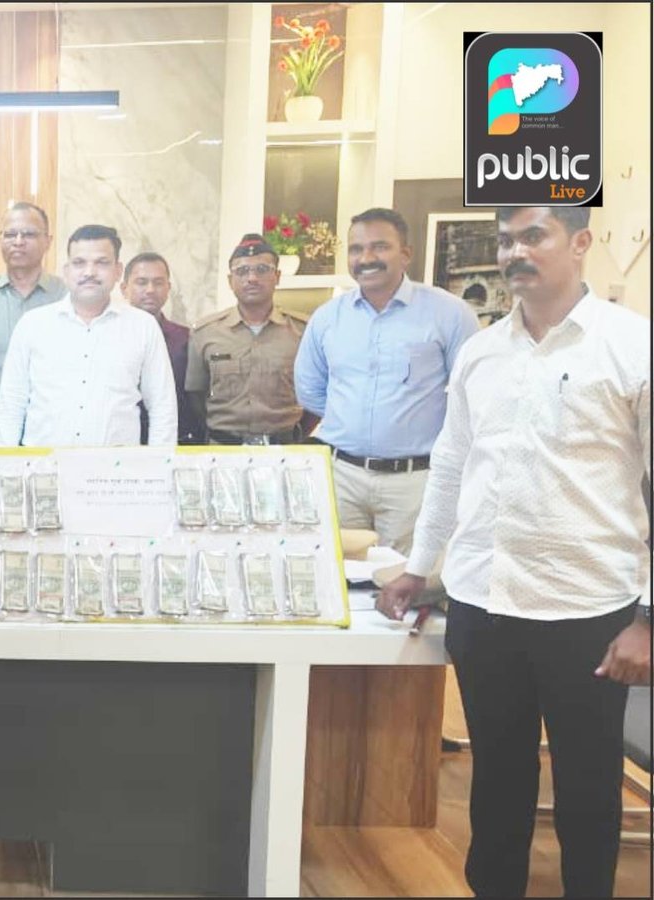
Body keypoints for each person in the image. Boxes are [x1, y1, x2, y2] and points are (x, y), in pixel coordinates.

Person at [379, 206, 651, 899]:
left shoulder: (631, 345)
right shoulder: (481, 351)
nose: (514, 253)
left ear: (581, 242)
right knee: (496, 781)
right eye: (505, 241)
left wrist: (648, 617)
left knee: (588, 787)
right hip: (485, 602)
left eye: (534, 236)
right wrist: (419, 566)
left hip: (588, 609)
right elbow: (451, 465)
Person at [294, 208, 479, 554]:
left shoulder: (450, 314)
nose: (366, 258)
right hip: (341, 478)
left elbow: (471, 398)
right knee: (339, 575)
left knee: (407, 578)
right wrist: (353, 423)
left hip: (415, 481)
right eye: (356, 249)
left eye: (379, 247)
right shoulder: (327, 318)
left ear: (406, 253)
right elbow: (310, 391)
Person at [0, 225, 176, 448]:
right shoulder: (33, 325)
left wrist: (159, 464)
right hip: (44, 466)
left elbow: (162, 407)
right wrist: (3, 464)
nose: (89, 272)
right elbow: (11, 405)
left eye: (102, 263)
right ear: (66, 271)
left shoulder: (143, 326)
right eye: (79, 263)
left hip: (117, 466)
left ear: (118, 271)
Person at [185, 234, 317, 445]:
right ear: (230, 281)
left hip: (284, 449)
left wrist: (295, 433)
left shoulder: (303, 332)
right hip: (223, 450)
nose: (252, 278)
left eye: (262, 270)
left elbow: (316, 394)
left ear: (277, 276)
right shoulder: (205, 333)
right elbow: (195, 395)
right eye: (242, 271)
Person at [0, 202, 65, 446]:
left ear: (48, 241)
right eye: (10, 234)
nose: (18, 241)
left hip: (52, 427)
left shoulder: (65, 297)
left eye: (29, 234)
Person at [122, 251, 201, 443]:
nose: (150, 290)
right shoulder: (110, 337)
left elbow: (195, 400)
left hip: (172, 441)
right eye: (141, 282)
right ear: (124, 288)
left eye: (158, 283)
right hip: (121, 443)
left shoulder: (186, 339)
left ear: (168, 288)